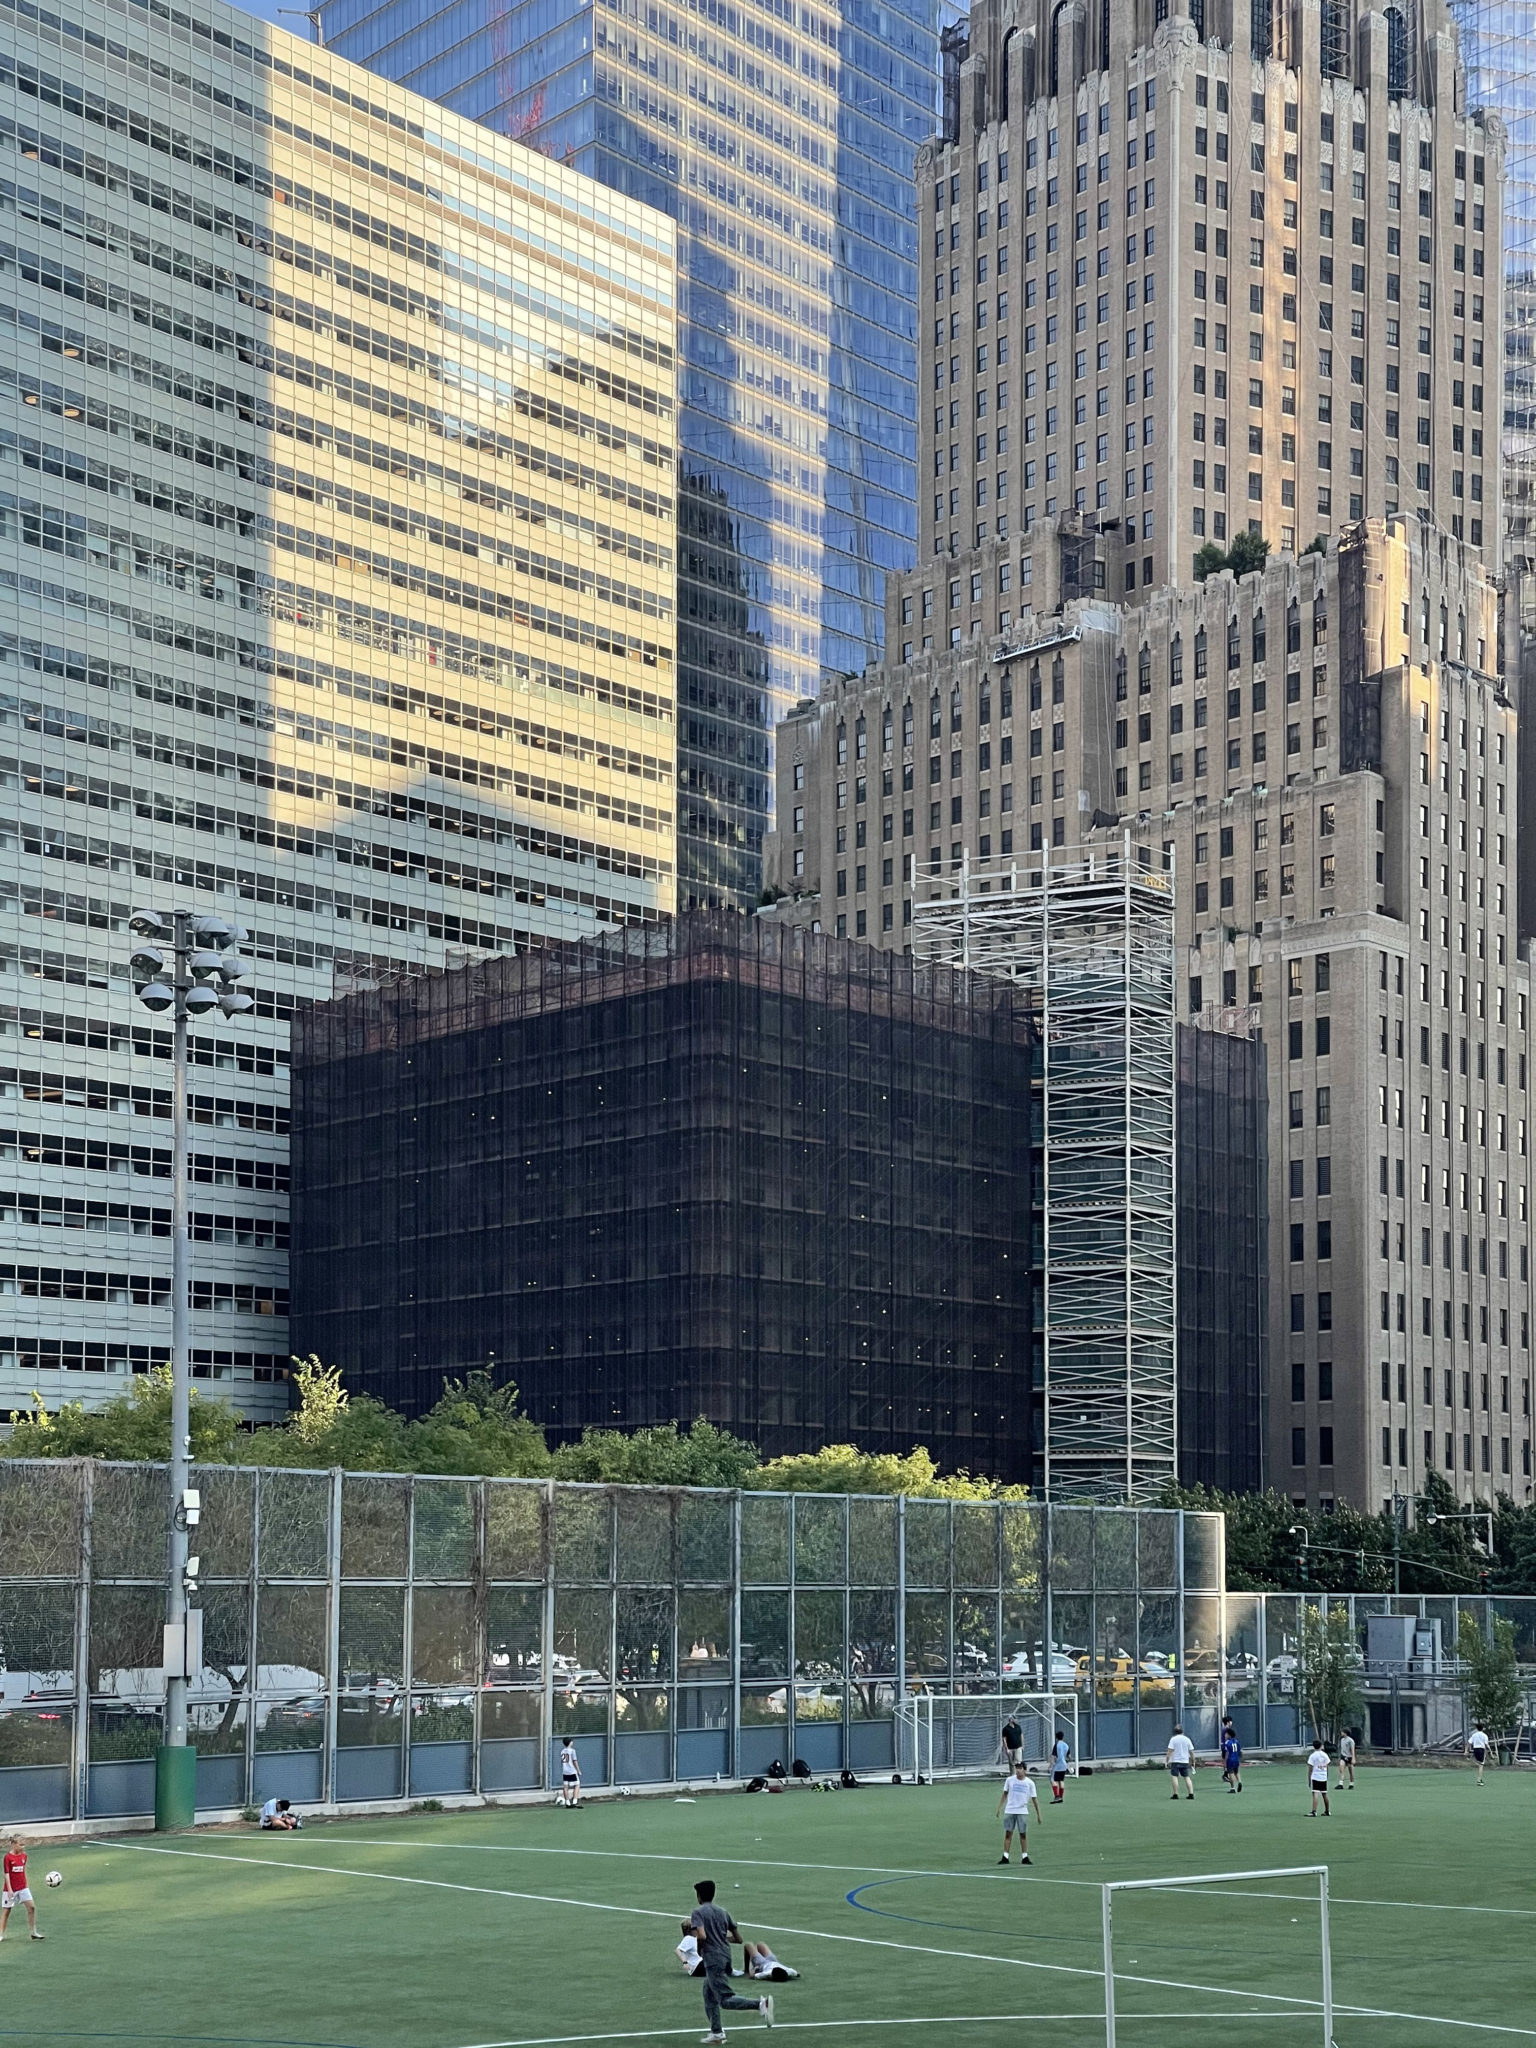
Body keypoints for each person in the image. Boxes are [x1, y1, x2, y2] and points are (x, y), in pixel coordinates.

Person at [686, 1879, 774, 2041]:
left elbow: (702, 1936)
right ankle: (717, 2032)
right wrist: (720, 1939)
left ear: (699, 1896)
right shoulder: (723, 1912)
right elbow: (738, 1938)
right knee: (708, 1992)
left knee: (725, 1999)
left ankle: (760, 2004)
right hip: (726, 1956)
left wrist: (699, 1949)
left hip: (713, 1959)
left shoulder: (697, 1913)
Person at [995, 1759, 1042, 1865]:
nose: (1018, 1771)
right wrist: (999, 1808)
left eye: (1020, 1768)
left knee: (1023, 1834)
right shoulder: (1009, 1780)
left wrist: (1038, 1814)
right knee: (1008, 1834)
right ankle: (1005, 1856)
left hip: (1022, 1811)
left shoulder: (1030, 1783)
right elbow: (1005, 1794)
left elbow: (1034, 1799)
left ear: (1025, 1770)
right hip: (1010, 1810)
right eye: (1017, 1768)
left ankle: (1024, 1856)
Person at [0, 1838, 43, 1941]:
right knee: (6, 1911)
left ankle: (33, 1933)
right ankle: (0, 1934)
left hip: (23, 1887)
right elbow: (7, 1874)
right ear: (14, 1844)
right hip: (10, 1889)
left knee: (31, 1908)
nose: (23, 1847)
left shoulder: (24, 1856)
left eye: (24, 1845)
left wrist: (26, 1885)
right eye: (21, 1845)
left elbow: (23, 1872)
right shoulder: (8, 1858)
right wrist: (10, 1890)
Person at [1166, 1725, 1196, 1800]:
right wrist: (1193, 1761)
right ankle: (1191, 1793)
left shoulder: (1173, 1739)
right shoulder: (1187, 1739)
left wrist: (1167, 1760)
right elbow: (1191, 1752)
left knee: (1174, 1776)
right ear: (1182, 1731)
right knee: (1186, 1777)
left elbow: (1170, 1751)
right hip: (1185, 1761)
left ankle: (1175, 1794)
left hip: (1175, 1761)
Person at [1308, 1741, 1331, 1816]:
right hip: (1323, 1776)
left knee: (1315, 1793)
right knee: (1324, 1793)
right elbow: (1327, 1765)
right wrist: (1326, 1775)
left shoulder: (1313, 1756)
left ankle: (1314, 1811)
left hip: (1315, 1776)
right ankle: (1327, 1811)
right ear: (1321, 1746)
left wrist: (1309, 1779)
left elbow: (1310, 1768)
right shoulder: (1325, 1755)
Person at [558, 1738, 582, 1809]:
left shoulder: (562, 1751)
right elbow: (575, 1761)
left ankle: (567, 1802)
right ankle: (575, 1801)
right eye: (572, 1741)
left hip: (565, 1771)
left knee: (565, 1787)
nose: (572, 1742)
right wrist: (578, 1770)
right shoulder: (572, 1751)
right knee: (577, 1785)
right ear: (570, 1743)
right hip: (572, 1771)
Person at [1049, 1728, 1071, 1804]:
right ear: (1063, 1737)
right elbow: (1069, 1757)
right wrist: (1066, 1761)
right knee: (1061, 1780)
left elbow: (1053, 1756)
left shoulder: (1057, 1745)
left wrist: (1050, 1766)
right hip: (1064, 1765)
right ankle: (1061, 1797)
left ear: (1056, 1737)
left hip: (1057, 1765)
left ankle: (1057, 1796)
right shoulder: (1066, 1745)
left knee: (1052, 1780)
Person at [1221, 1724, 1243, 1794]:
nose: (1225, 1735)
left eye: (1226, 1734)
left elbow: (1227, 1753)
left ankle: (1232, 1788)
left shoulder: (1227, 1743)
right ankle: (1239, 1782)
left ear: (1229, 1735)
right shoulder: (1237, 1741)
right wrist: (1239, 1759)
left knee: (1231, 1773)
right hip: (1236, 1759)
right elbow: (1240, 1751)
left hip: (1230, 1759)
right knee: (1237, 1772)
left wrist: (1225, 1762)